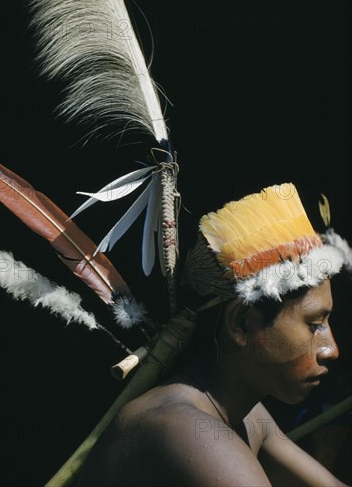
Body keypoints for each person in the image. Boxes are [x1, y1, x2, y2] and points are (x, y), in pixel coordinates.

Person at [77, 182, 351, 487]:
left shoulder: (248, 415)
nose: (331, 349)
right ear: (242, 324)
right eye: (314, 324)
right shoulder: (187, 429)